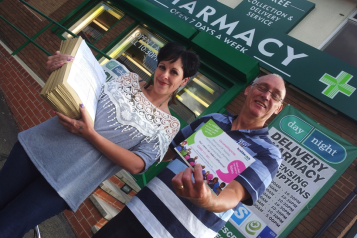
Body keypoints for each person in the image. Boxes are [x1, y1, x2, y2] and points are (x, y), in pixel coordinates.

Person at [0, 42, 200, 238]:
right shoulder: (128, 79)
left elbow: (137, 165)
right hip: (38, 147)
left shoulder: (168, 124)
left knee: (7, 228)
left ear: (184, 81)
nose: (164, 75)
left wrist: (91, 135)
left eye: (174, 72)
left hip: (68, 181)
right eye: (162, 67)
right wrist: (60, 72)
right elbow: (84, 97)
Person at [93, 74, 285, 238]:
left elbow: (234, 194)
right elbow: (165, 151)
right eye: (262, 87)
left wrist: (207, 200)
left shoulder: (269, 153)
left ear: (278, 108)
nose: (266, 95)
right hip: (139, 209)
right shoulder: (212, 120)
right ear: (247, 90)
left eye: (275, 96)